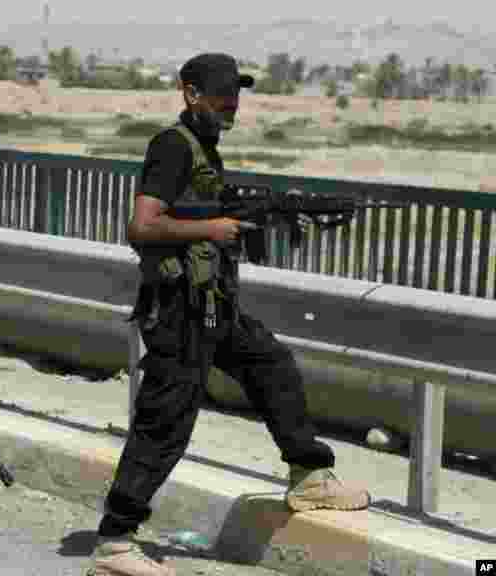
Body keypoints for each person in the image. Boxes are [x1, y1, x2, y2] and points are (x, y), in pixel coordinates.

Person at [86, 53, 371, 576]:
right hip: (180, 310)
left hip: (212, 304)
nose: (230, 106)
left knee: (271, 365)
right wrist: (212, 229)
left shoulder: (203, 150)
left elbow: (203, 209)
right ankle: (115, 544)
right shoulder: (172, 146)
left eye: (235, 98)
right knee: (165, 422)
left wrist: (255, 213)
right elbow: (143, 226)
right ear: (190, 93)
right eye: (220, 97)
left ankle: (308, 476)